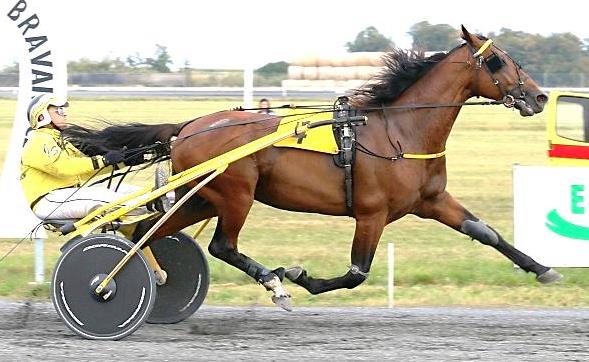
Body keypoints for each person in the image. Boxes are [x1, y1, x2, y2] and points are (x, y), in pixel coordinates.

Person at [20, 94, 145, 220]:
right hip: (49, 201)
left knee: (126, 190)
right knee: (106, 196)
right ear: (42, 116)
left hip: (64, 196)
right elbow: (64, 168)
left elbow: (83, 171)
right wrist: (104, 160)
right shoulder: (38, 141)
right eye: (58, 110)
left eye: (63, 110)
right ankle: (152, 206)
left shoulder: (60, 141)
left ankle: (154, 205)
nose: (64, 114)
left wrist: (123, 162)